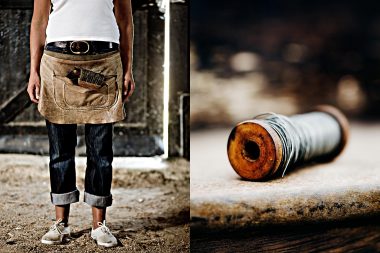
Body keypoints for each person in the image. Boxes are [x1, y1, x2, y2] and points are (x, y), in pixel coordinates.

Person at [27, 0, 135, 248]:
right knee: (60, 151)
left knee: (101, 152)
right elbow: (39, 22)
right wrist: (33, 71)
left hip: (104, 63)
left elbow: (125, 22)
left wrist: (128, 69)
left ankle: (99, 225)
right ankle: (61, 223)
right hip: (57, 63)